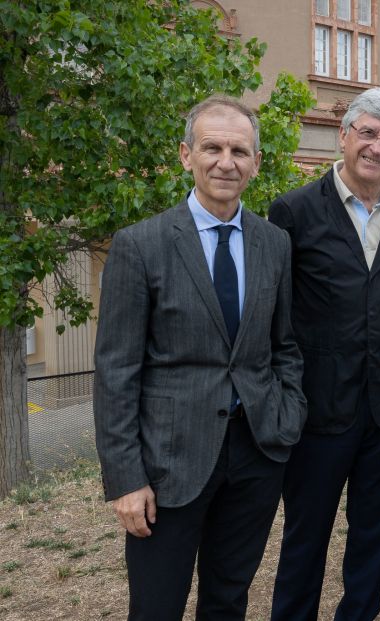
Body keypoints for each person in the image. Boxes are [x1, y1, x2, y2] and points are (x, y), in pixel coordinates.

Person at [93, 94, 306, 620]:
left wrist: (287, 415)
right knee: (156, 606)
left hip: (255, 454)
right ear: (186, 155)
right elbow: (117, 371)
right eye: (212, 147)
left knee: (228, 601)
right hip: (168, 464)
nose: (226, 161)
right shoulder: (140, 245)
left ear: (256, 163)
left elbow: (284, 346)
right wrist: (125, 479)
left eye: (239, 150)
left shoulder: (274, 243)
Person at [269, 87, 380, 621]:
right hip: (318, 410)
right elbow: (276, 315)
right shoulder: (292, 211)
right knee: (304, 537)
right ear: (344, 136)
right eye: (368, 132)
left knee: (373, 538)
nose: (377, 147)